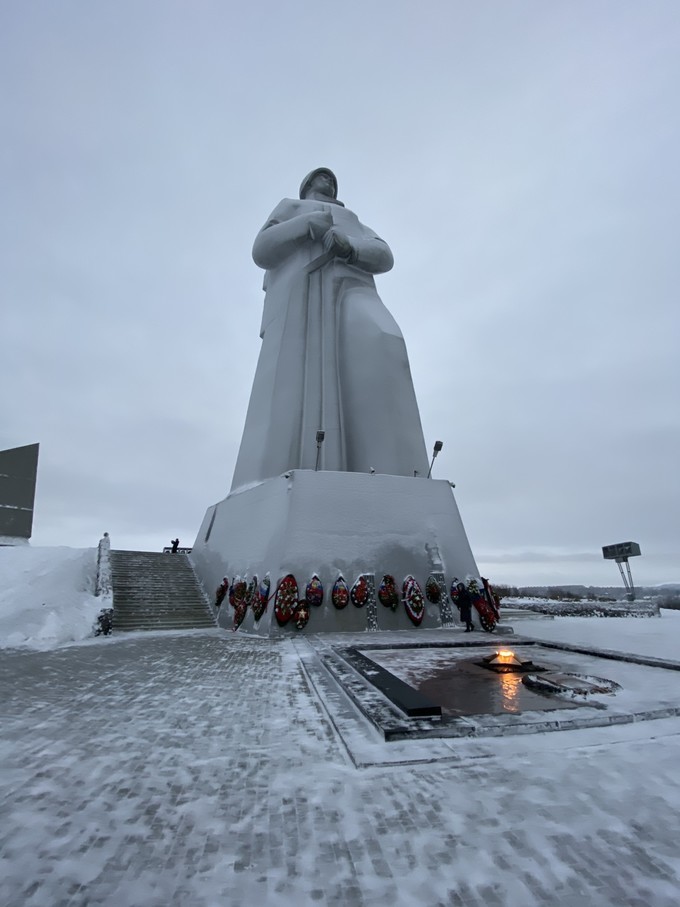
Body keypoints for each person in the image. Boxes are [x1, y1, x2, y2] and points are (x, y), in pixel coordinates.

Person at [230, 168, 430, 490]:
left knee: (381, 341)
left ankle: (395, 474)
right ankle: (279, 474)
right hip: (301, 299)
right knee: (292, 388)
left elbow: (384, 254)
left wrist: (350, 246)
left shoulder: (352, 218)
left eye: (333, 179)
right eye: (322, 177)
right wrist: (307, 226)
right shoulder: (289, 207)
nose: (330, 180)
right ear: (307, 185)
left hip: (351, 290)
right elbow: (262, 249)